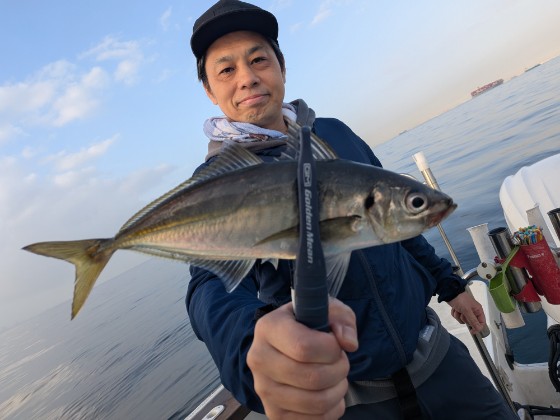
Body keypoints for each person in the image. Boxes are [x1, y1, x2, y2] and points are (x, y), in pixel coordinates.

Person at [185, 1, 517, 418]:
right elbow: (210, 285)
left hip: (436, 356)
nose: (247, 77)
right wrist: (248, 347)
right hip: (352, 400)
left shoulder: (335, 133)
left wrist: (450, 285)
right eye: (226, 70)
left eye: (258, 60)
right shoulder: (216, 182)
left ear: (281, 67)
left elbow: (397, 226)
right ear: (209, 91)